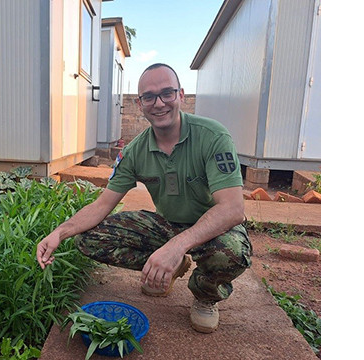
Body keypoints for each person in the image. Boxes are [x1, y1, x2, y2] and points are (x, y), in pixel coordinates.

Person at [36, 63, 252, 334]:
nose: (159, 103)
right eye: (149, 97)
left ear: (181, 95)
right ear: (140, 104)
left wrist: (176, 246)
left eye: (167, 93)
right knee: (89, 239)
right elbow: (102, 205)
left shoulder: (212, 136)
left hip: (214, 229)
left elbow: (233, 209)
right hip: (168, 224)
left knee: (232, 253)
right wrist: (59, 232)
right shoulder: (134, 151)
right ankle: (164, 269)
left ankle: (205, 295)